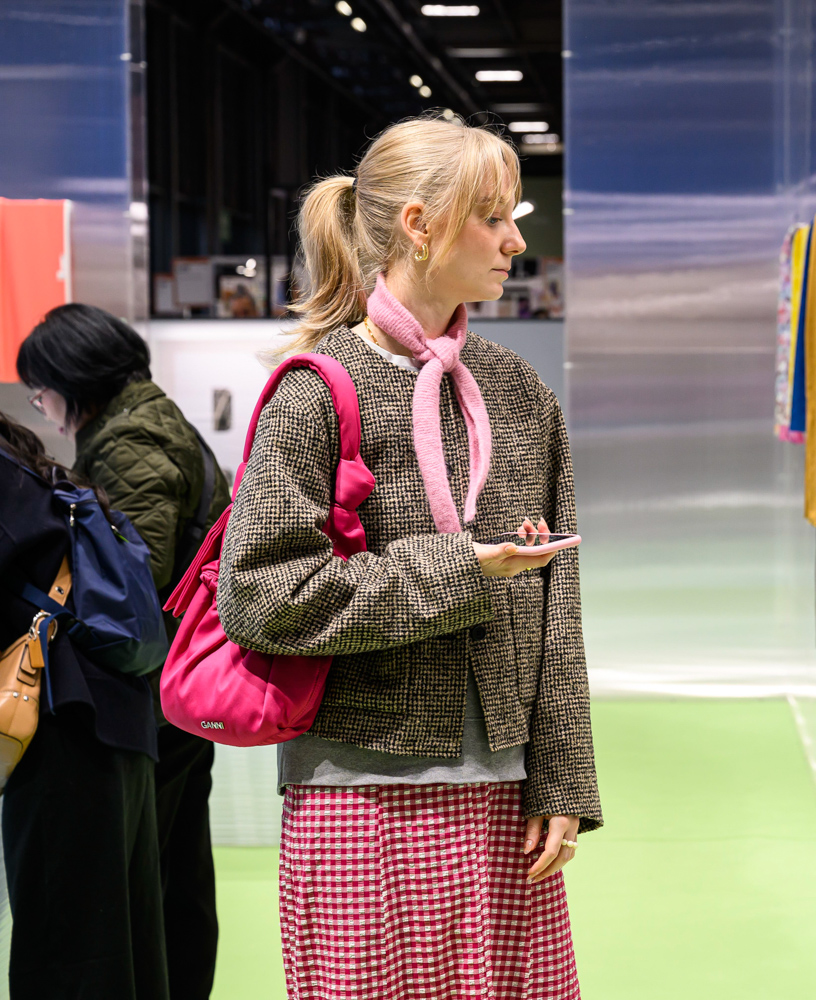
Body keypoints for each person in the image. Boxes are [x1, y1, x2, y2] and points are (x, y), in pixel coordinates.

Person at [215, 114, 600, 998]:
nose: (515, 242)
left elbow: (559, 606)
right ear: (420, 226)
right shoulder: (317, 392)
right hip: (355, 792)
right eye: (493, 218)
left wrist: (564, 778)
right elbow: (262, 598)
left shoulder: (519, 392)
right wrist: (461, 570)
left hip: (506, 794)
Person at [17, 305, 229, 1000]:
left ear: (72, 381)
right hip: (185, 681)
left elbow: (132, 580)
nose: (45, 411)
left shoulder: (130, 437)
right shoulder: (160, 422)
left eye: (42, 393)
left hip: (152, 690)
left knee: (146, 881)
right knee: (176, 870)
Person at [0, 412, 168, 999]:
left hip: (62, 722)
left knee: (66, 951)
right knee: (125, 944)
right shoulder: (39, 478)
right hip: (117, 716)